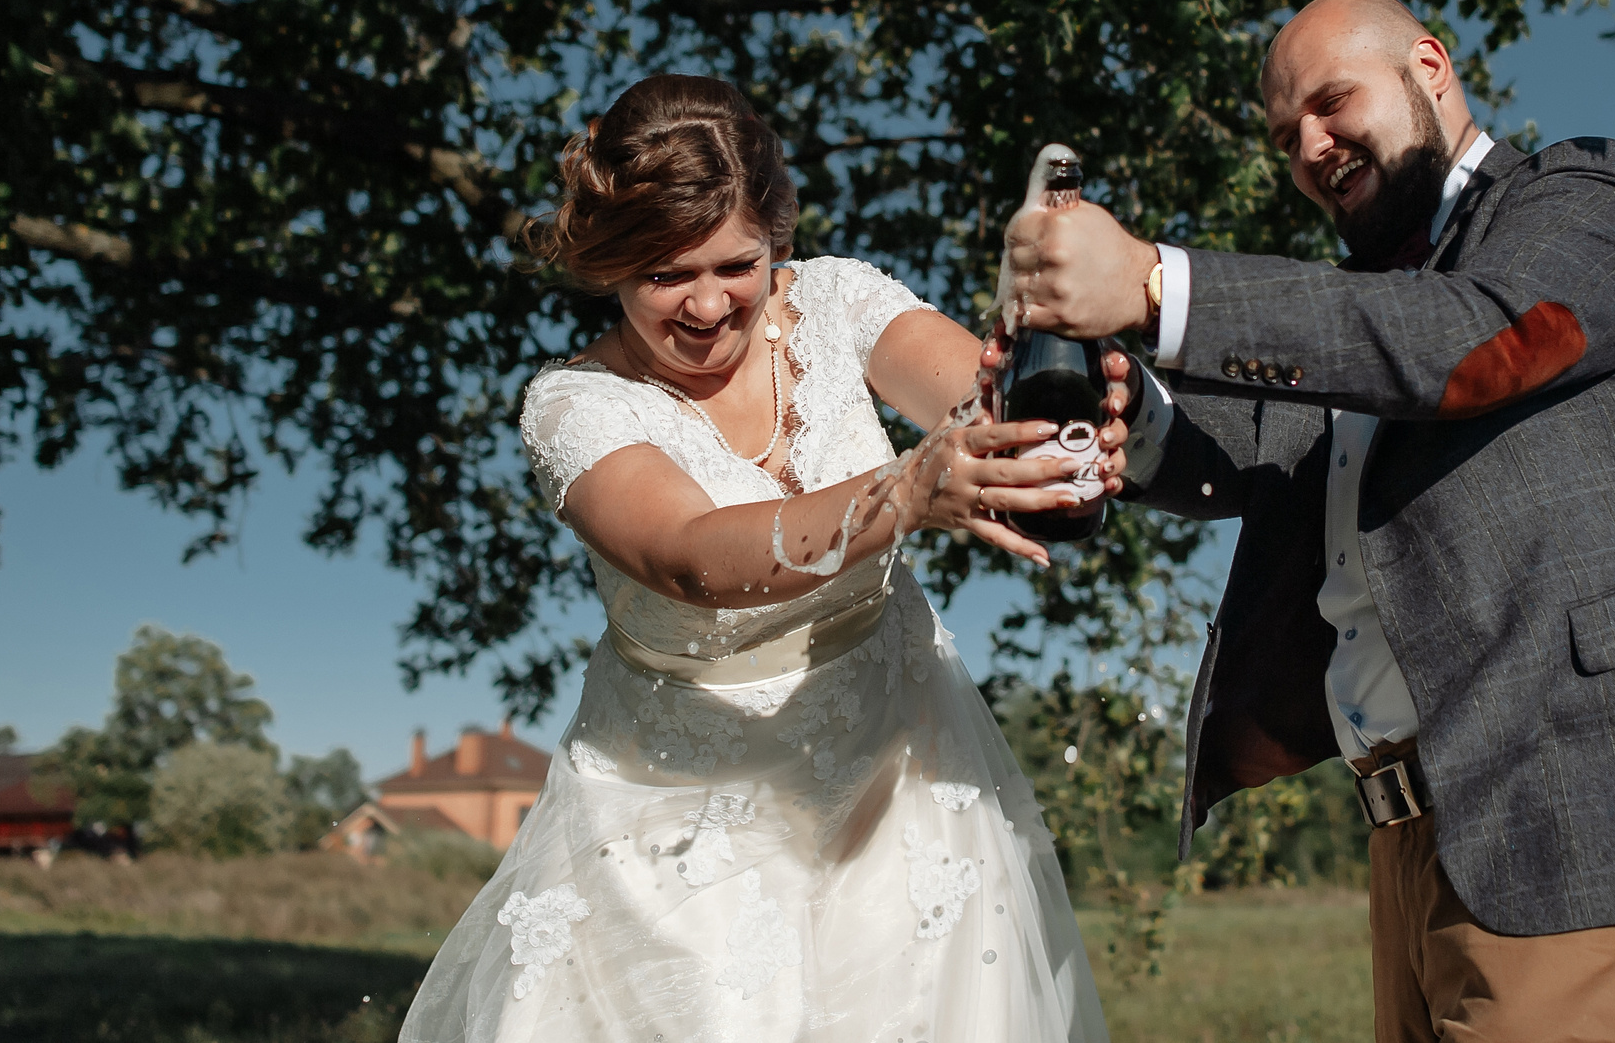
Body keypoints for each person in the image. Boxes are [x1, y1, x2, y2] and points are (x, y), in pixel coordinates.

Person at [998, 0, 1615, 1043]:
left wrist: (1152, 283)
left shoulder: (1594, 194)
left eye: (1330, 102)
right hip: (1415, 829)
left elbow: (1480, 337)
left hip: (1597, 794)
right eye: (1285, 137)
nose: (1310, 148)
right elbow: (1257, 452)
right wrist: (1115, 412)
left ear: (1430, 67)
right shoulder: (1360, 319)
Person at [402, 74, 1115, 1043]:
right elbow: (690, 556)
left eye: (737, 263)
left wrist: (1054, 410)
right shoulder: (574, 404)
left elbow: (981, 409)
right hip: (678, 828)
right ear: (610, 263)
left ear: (776, 237)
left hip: (900, 773)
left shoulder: (835, 299)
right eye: (665, 273)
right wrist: (902, 494)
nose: (707, 303)